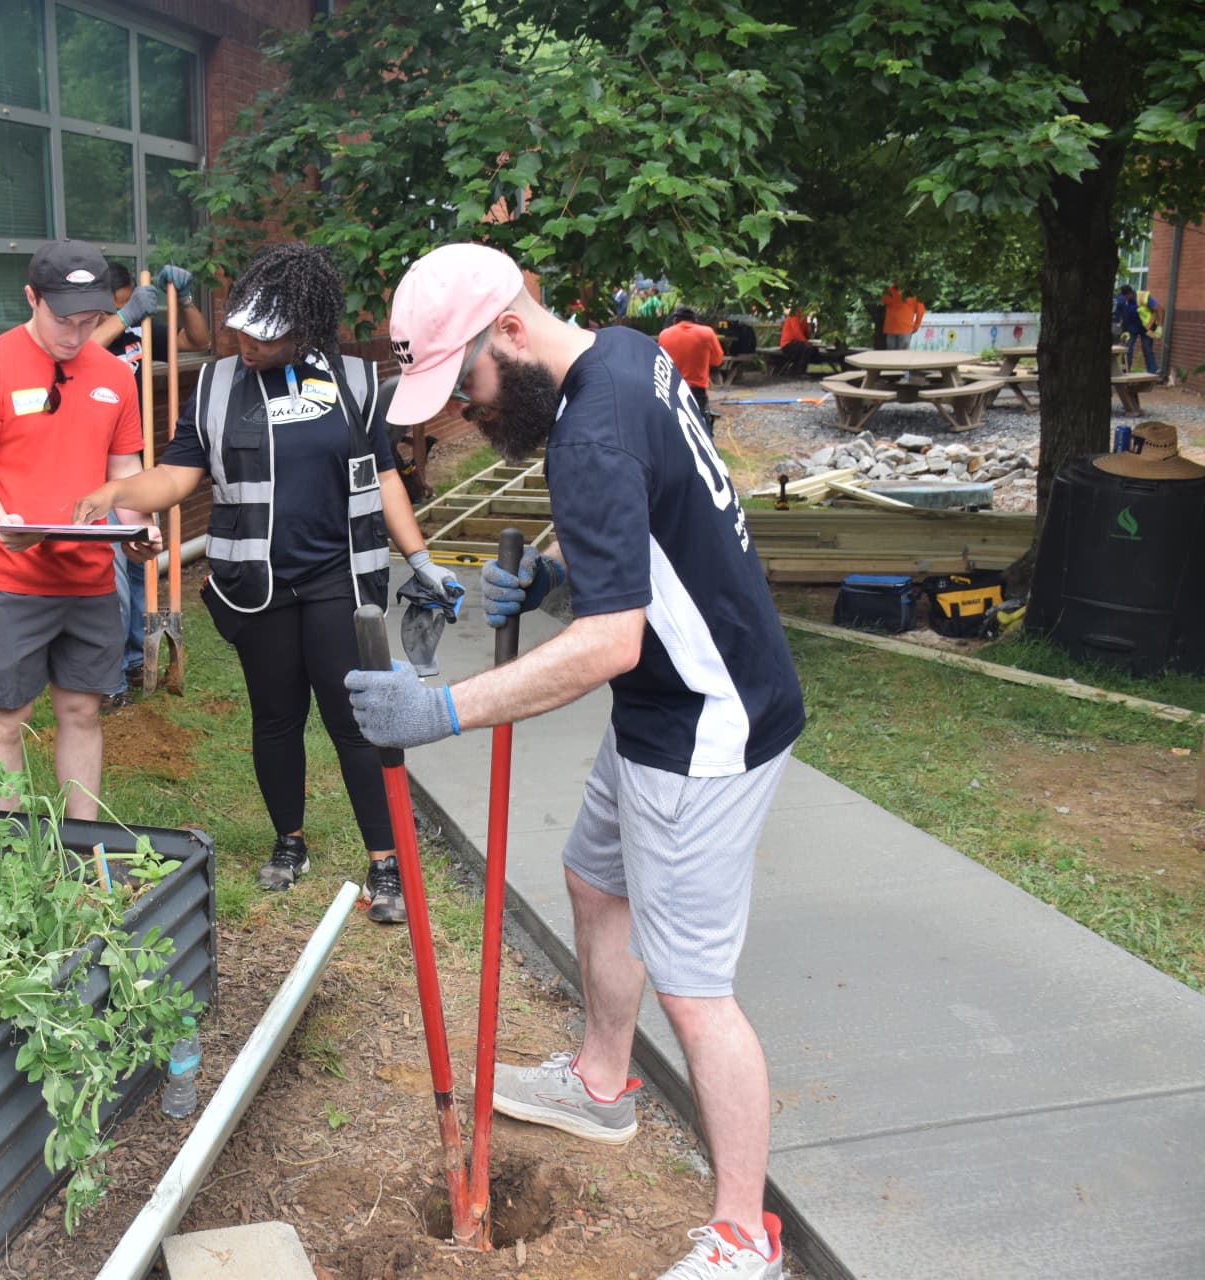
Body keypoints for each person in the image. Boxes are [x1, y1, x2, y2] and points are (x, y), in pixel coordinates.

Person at [346, 243, 804, 1280]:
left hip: (706, 725)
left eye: (465, 384)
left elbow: (611, 643)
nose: (464, 413)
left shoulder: (588, 432)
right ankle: (602, 1082)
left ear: (510, 329)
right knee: (594, 875)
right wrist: (561, 576)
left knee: (694, 989)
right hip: (666, 702)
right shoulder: (627, 355)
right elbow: (656, 532)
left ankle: (744, 1235)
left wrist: (442, 707)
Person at [70, 243, 459, 926]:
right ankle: (290, 843)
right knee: (275, 717)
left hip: (340, 578)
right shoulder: (217, 385)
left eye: (264, 334)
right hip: (256, 586)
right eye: (241, 330)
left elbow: (387, 476)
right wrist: (120, 488)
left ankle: (385, 862)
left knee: (355, 721)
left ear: (305, 329)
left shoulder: (357, 383)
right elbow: (178, 474)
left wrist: (420, 558)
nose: (245, 343)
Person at [0, 240, 161, 820]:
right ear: (31, 298)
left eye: (89, 320)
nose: (75, 333)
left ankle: (81, 851)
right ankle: (11, 860)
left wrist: (142, 530)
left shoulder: (115, 377)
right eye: (63, 319)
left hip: (88, 579)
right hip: (9, 577)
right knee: (6, 721)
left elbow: (125, 477)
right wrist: (0, 521)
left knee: (81, 712)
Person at [95, 263, 213, 708]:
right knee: (111, 580)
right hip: (93, 471)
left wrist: (182, 301)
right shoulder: (87, 337)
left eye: (129, 303)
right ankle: (109, 678)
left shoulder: (139, 332)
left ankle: (131, 660)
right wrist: (121, 321)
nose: (124, 311)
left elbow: (196, 341)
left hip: (137, 469)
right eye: (118, 305)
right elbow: (77, 355)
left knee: (139, 566)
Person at [656, 305, 724, 421]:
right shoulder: (707, 333)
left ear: (675, 320)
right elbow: (717, 360)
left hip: (671, 389)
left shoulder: (664, 335)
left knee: (674, 424)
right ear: (695, 320)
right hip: (697, 390)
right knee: (700, 425)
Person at [880, 284, 924, 350]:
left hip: (905, 329)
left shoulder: (914, 293)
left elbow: (920, 311)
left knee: (903, 355)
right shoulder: (889, 291)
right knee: (890, 355)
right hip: (891, 329)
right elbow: (884, 301)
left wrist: (916, 325)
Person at [776, 309, 818, 377]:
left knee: (812, 349)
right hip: (787, 344)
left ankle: (794, 370)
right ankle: (800, 372)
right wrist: (805, 341)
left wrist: (809, 329)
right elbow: (796, 332)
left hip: (796, 343)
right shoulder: (794, 315)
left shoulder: (803, 317)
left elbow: (806, 332)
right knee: (805, 348)